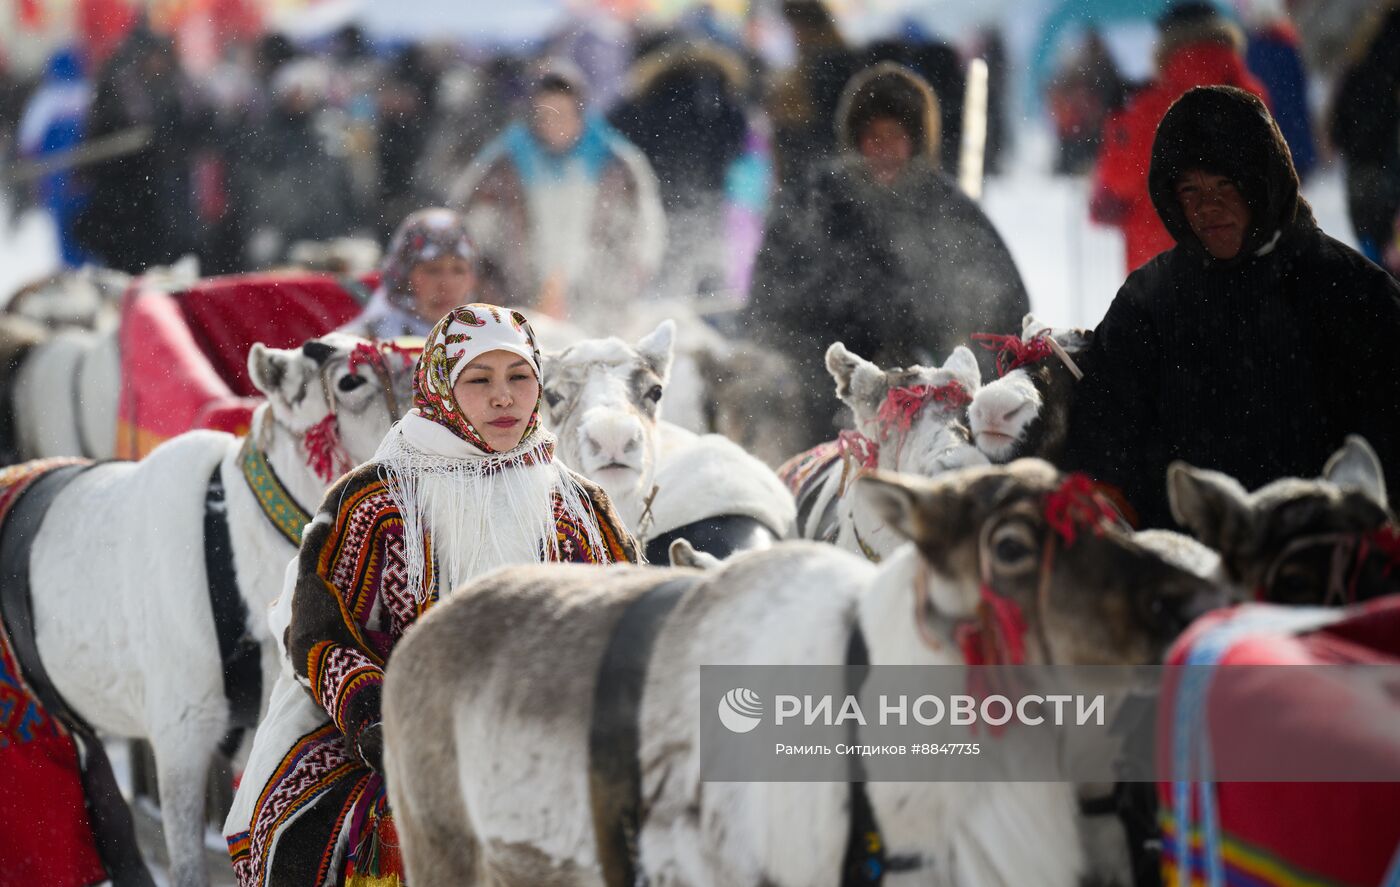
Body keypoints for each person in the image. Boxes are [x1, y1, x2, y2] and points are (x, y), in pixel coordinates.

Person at [224, 304, 638, 886]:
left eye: (519, 377)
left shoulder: (578, 506)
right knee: (319, 844)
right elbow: (321, 631)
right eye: (479, 379)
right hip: (396, 729)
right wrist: (383, 721)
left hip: (554, 726)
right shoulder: (378, 499)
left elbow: (629, 619)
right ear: (442, 385)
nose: (504, 398)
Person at [1063, 86, 1400, 530]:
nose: (1208, 205)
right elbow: (1101, 429)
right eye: (1191, 190)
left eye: (1226, 184)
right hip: (1185, 570)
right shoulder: (1149, 300)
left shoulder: (1352, 291)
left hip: (1326, 563)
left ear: (1263, 183)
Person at [744, 62, 1029, 448]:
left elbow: (1000, 311)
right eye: (873, 137)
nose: (884, 149)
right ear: (854, 140)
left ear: (916, 141)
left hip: (924, 395)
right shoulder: (816, 200)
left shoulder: (947, 210)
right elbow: (769, 298)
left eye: (896, 136)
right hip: (821, 390)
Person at [449, 63, 665, 322]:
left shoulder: (618, 165)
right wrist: (492, 292)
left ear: (580, 112)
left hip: (598, 312)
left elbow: (644, 234)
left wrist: (615, 291)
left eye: (562, 114)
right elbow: (469, 229)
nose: (553, 124)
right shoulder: (502, 163)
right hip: (516, 311)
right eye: (544, 115)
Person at [1091, 1, 1268, 272]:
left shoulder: (1153, 107)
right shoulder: (1253, 96)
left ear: (1167, 44)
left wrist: (1118, 122)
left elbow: (1120, 180)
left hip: (1164, 262)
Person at [1329, 3, 1400, 265]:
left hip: (1363, 160)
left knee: (1374, 242)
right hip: (1384, 159)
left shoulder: (1365, 46)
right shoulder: (1380, 47)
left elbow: (1339, 114)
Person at [343, 208, 477, 340]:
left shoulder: (485, 342)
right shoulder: (362, 347)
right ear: (403, 276)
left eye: (459, 270)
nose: (447, 284)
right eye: (433, 270)